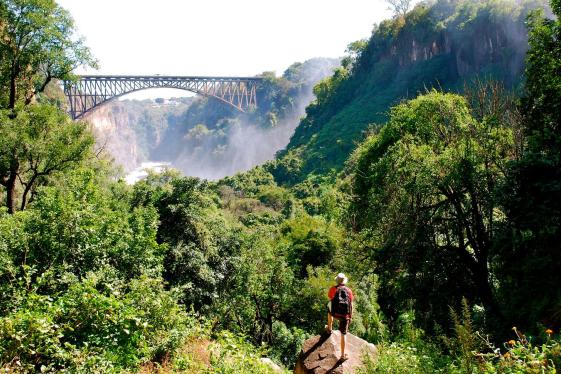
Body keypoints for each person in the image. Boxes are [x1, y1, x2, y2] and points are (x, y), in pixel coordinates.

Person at [326, 272, 354, 361]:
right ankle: (342, 356)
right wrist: (350, 316)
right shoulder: (349, 291)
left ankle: (329, 328)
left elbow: (331, 300)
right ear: (344, 281)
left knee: (328, 307)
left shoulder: (332, 289)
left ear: (337, 281)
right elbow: (351, 305)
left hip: (334, 313)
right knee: (343, 334)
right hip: (345, 316)